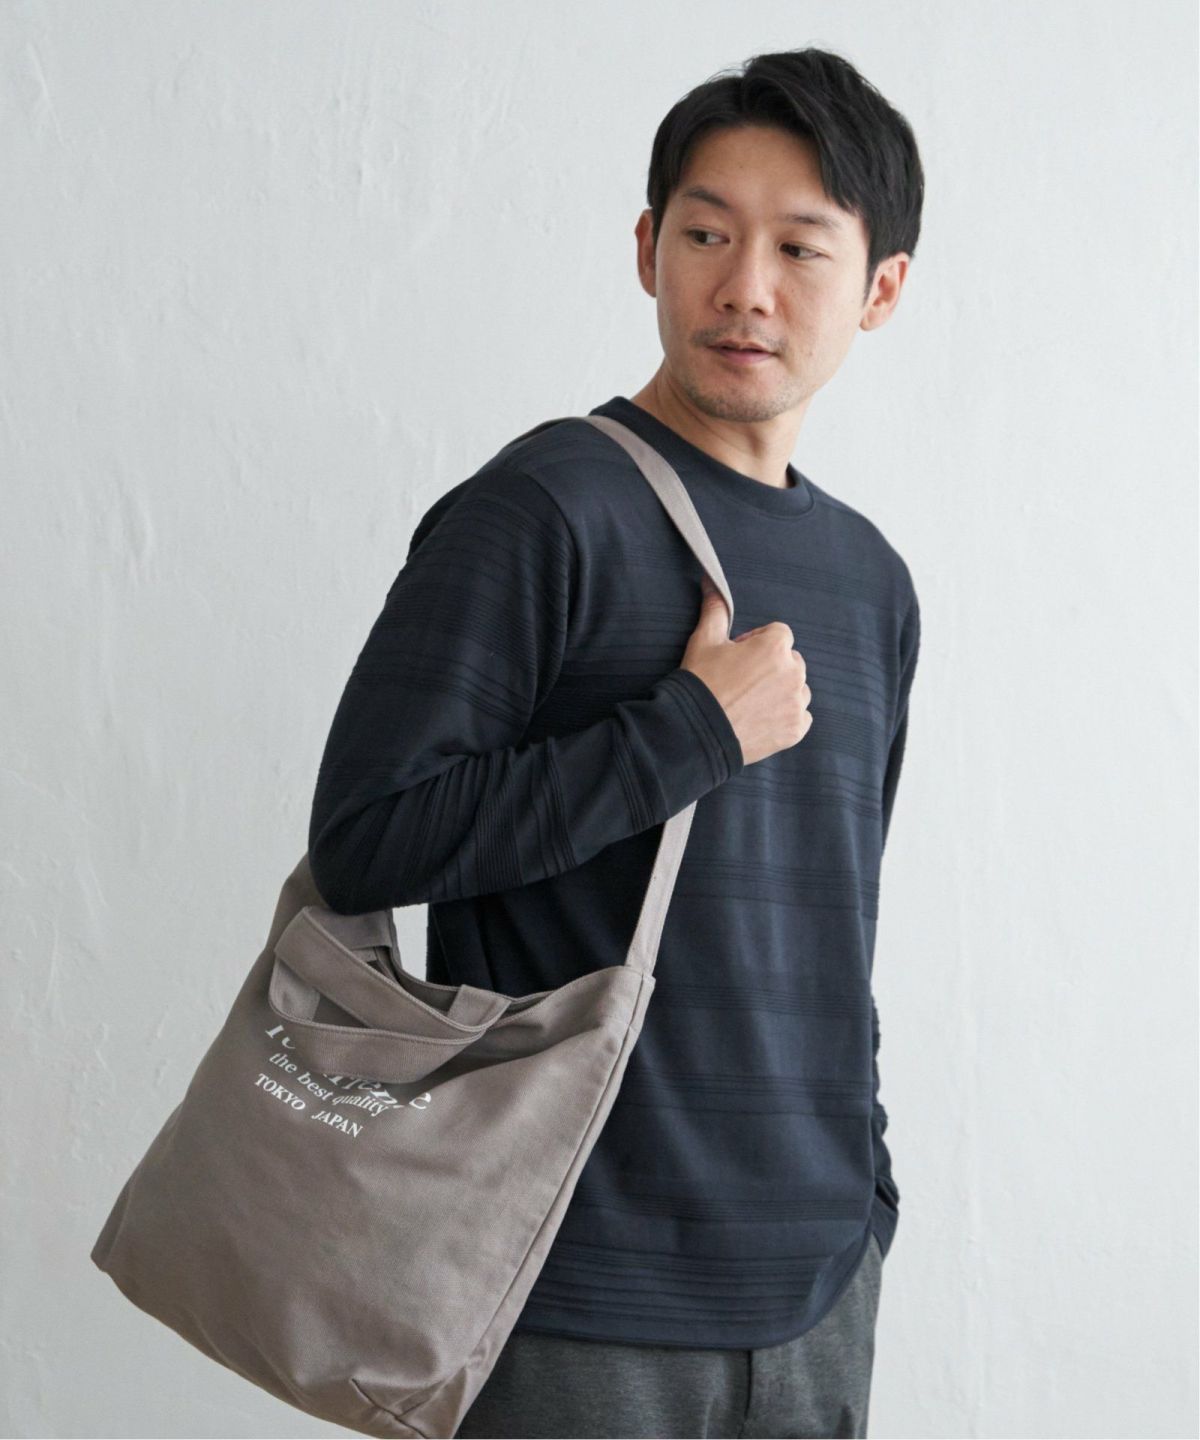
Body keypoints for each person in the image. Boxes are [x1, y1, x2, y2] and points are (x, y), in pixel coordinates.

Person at [308, 44, 923, 1440]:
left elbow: (840, 930)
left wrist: (865, 1200)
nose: (745, 286)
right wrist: (689, 732)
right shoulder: (547, 510)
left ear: (880, 287)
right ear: (648, 248)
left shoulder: (870, 582)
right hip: (567, 1284)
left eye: (799, 248)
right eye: (706, 234)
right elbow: (366, 841)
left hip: (816, 1286)